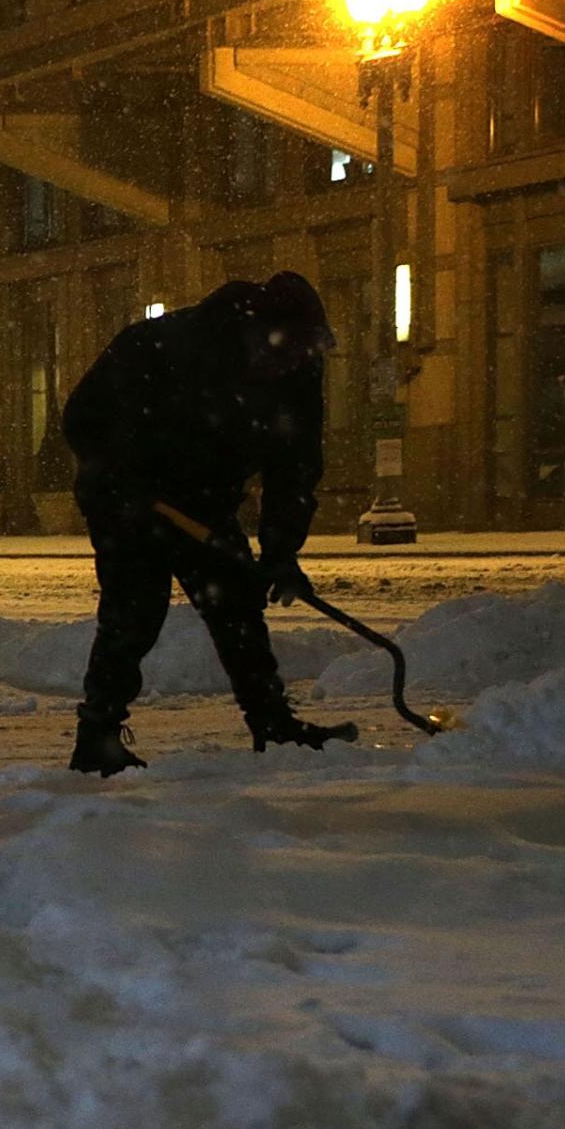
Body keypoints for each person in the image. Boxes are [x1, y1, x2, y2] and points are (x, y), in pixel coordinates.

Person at [62, 271, 352, 776]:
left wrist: (282, 554)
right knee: (134, 611)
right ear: (255, 331)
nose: (288, 364)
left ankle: (273, 726)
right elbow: (82, 417)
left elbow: (295, 468)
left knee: (236, 603)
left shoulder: (297, 373)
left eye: (300, 354)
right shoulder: (167, 344)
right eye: (283, 351)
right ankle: (97, 737)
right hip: (127, 496)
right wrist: (124, 481)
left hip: (203, 499)